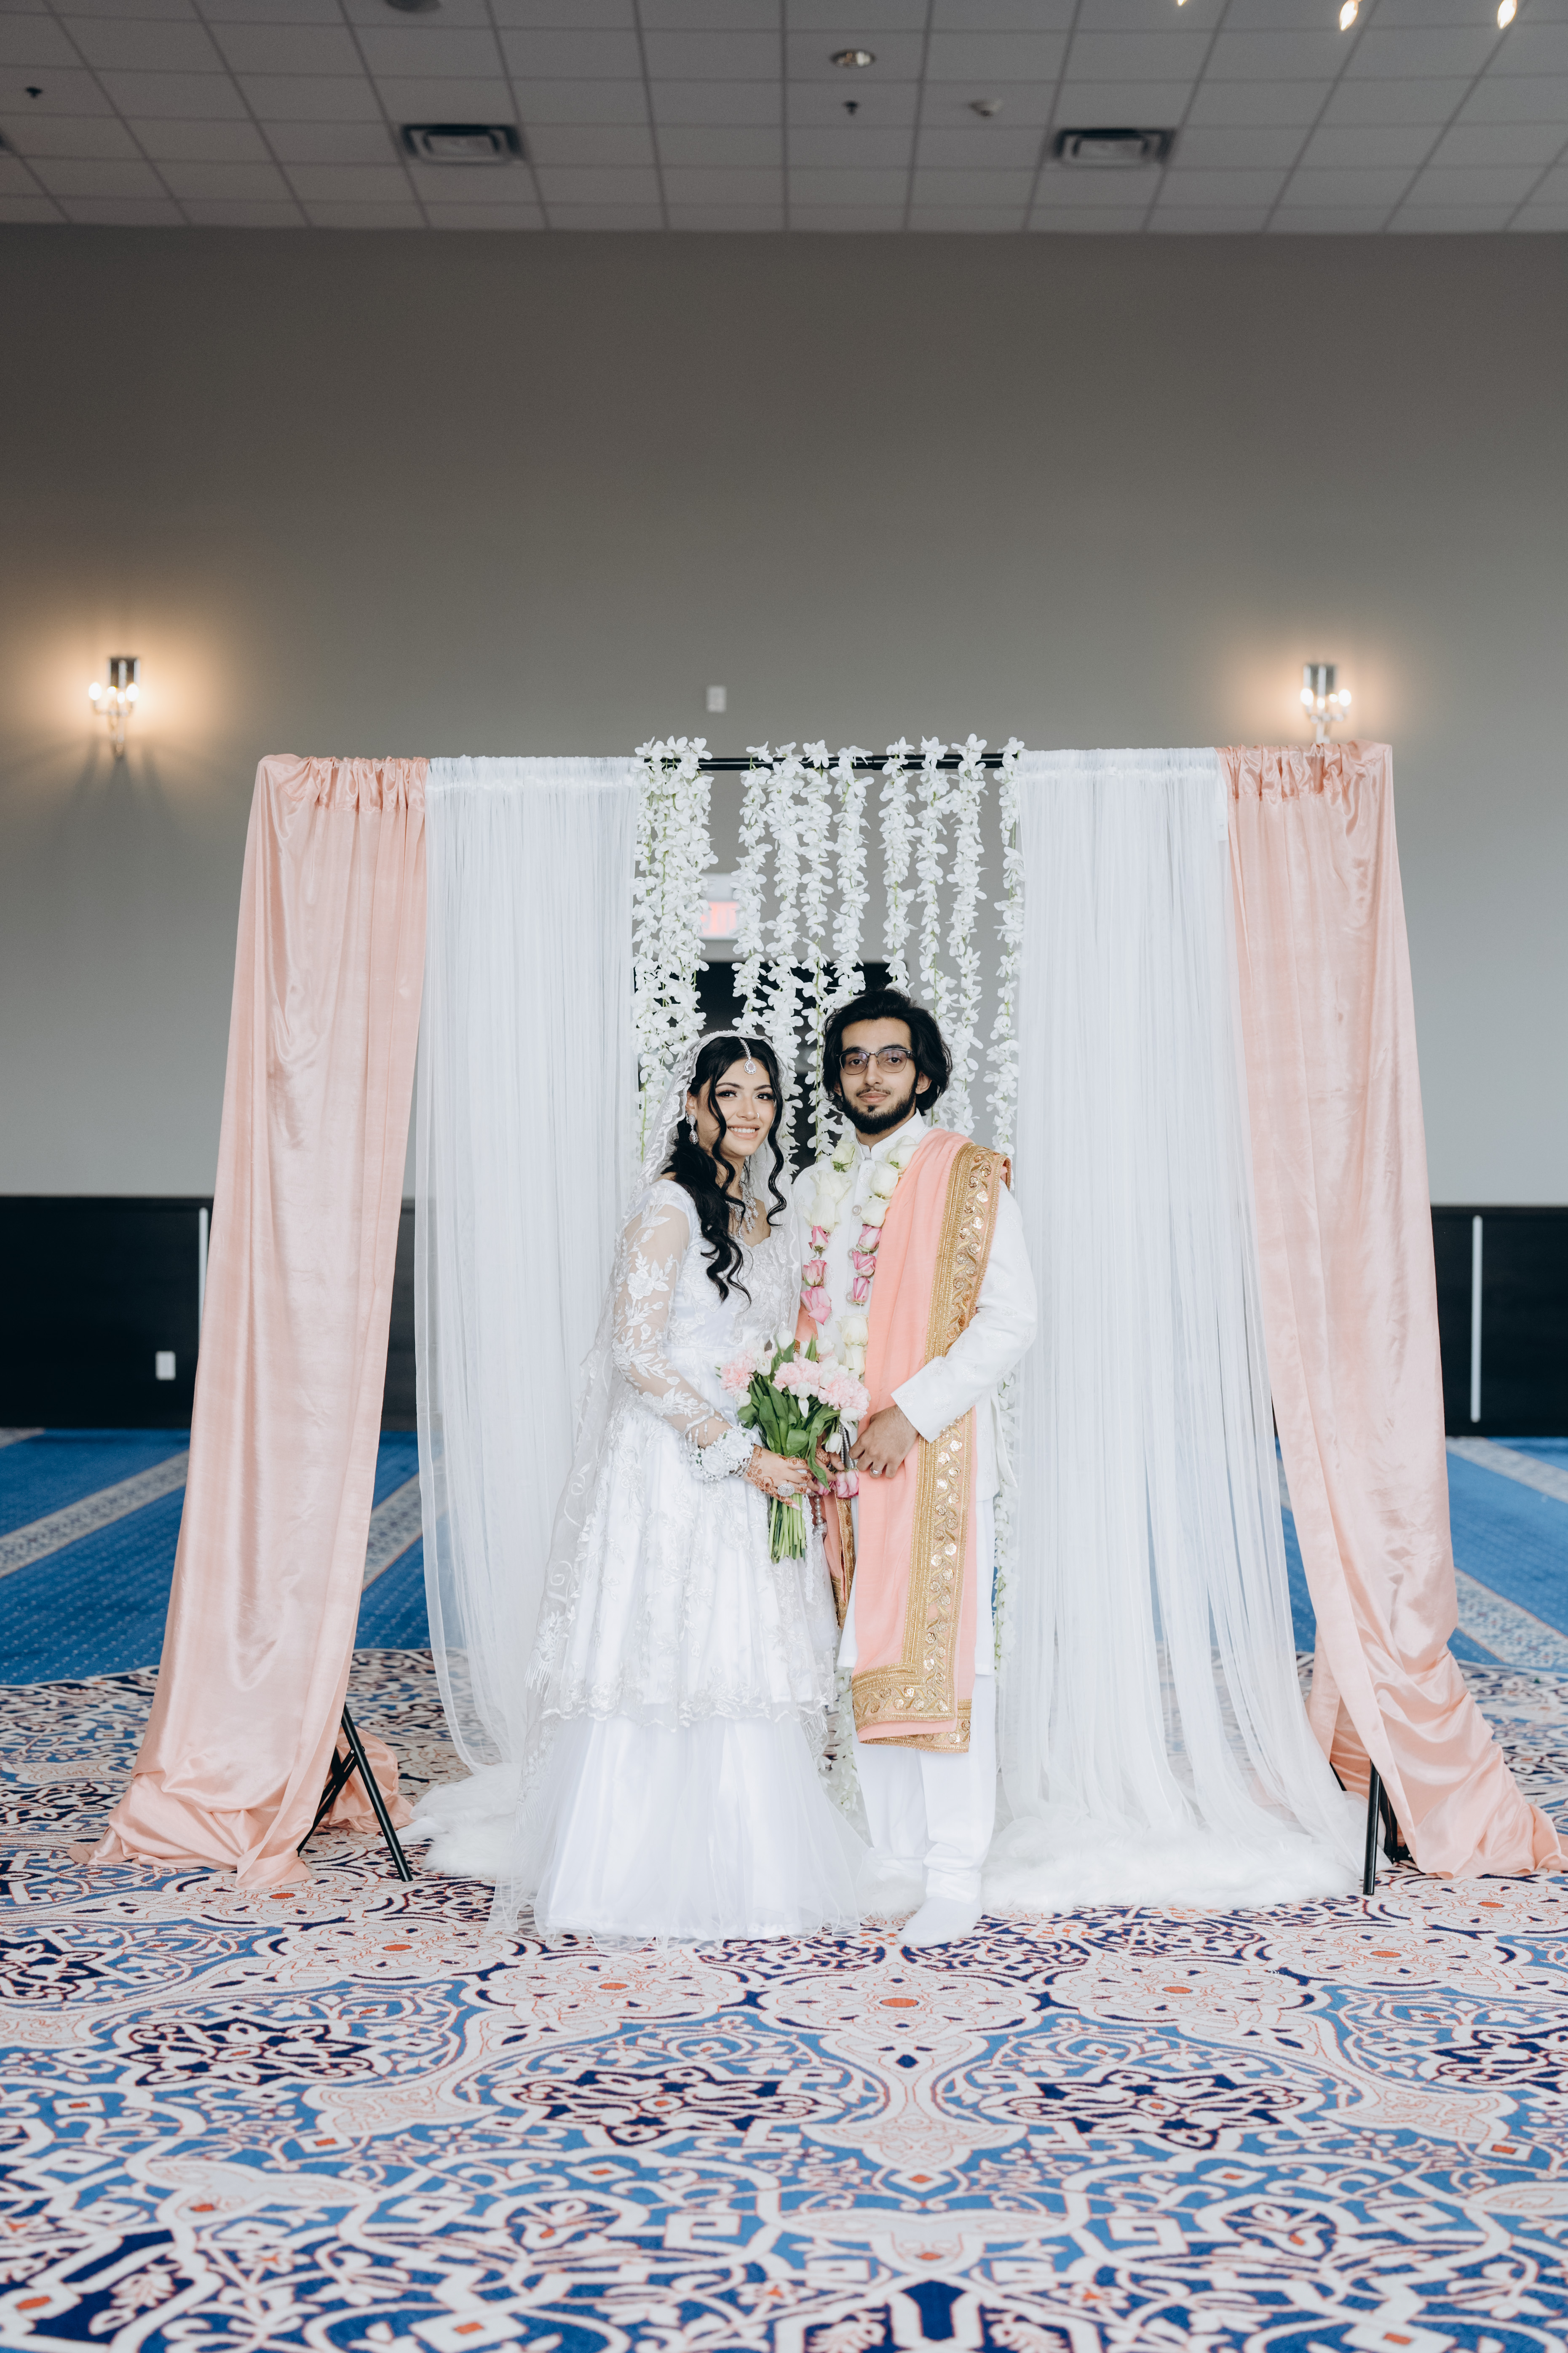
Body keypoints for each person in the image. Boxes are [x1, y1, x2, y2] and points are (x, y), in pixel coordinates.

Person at [411, 1031, 862, 1942]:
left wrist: (792, 1429)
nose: (749, 1110)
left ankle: (749, 1867)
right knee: (664, 1650)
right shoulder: (668, 1207)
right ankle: (621, 1873)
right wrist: (738, 1451)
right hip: (672, 1464)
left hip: (750, 1455)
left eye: (764, 1095)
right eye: (729, 1093)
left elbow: (774, 1346)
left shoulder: (761, 1213)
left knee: (738, 1650)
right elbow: (636, 1355)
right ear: (693, 1105)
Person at [797, 986, 1037, 1948]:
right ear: (837, 1079)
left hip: (935, 1456)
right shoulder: (821, 1186)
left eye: (890, 1058)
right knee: (868, 1652)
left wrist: (912, 1412)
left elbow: (1012, 1320)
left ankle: (953, 1872)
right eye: (854, 1060)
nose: (871, 1076)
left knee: (943, 1659)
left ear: (924, 1073)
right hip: (844, 1461)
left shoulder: (970, 1176)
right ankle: (896, 1858)